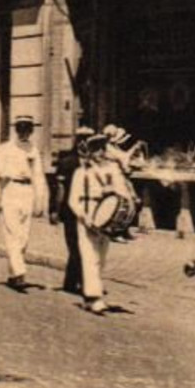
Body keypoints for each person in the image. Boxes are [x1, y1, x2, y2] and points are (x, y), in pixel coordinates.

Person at [0, 113, 48, 291]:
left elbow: (39, 176)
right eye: (20, 128)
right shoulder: (5, 149)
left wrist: (41, 201)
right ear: (15, 129)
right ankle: (20, 272)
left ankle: (13, 274)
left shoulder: (33, 150)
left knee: (23, 236)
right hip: (10, 190)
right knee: (12, 232)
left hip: (27, 192)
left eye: (27, 129)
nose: (24, 132)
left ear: (31, 131)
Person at [67, 131, 121, 315]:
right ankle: (94, 297)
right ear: (89, 152)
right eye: (96, 149)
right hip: (88, 217)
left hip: (106, 219)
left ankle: (90, 296)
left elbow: (121, 194)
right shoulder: (81, 173)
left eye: (102, 149)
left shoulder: (113, 171)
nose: (100, 153)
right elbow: (73, 200)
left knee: (101, 259)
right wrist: (84, 217)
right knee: (90, 257)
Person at [51, 127, 94, 296]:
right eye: (82, 139)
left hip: (89, 210)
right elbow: (59, 189)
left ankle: (71, 282)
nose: (84, 142)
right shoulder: (68, 162)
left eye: (88, 139)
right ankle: (82, 283)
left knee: (83, 246)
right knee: (75, 247)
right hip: (70, 210)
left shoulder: (93, 163)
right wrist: (54, 209)